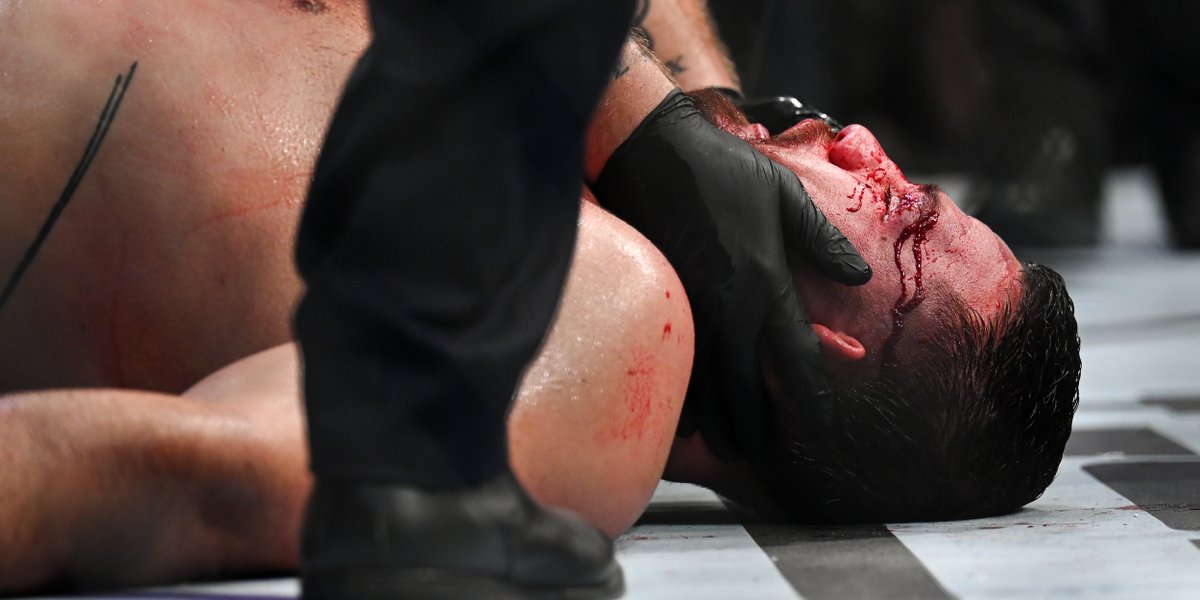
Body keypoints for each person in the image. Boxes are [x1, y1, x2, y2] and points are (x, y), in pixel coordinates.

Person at [0, 0, 1079, 594]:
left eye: (897, 215)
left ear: (819, 351)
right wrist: (681, 105)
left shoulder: (610, 310)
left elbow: (190, 477)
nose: (863, 142)